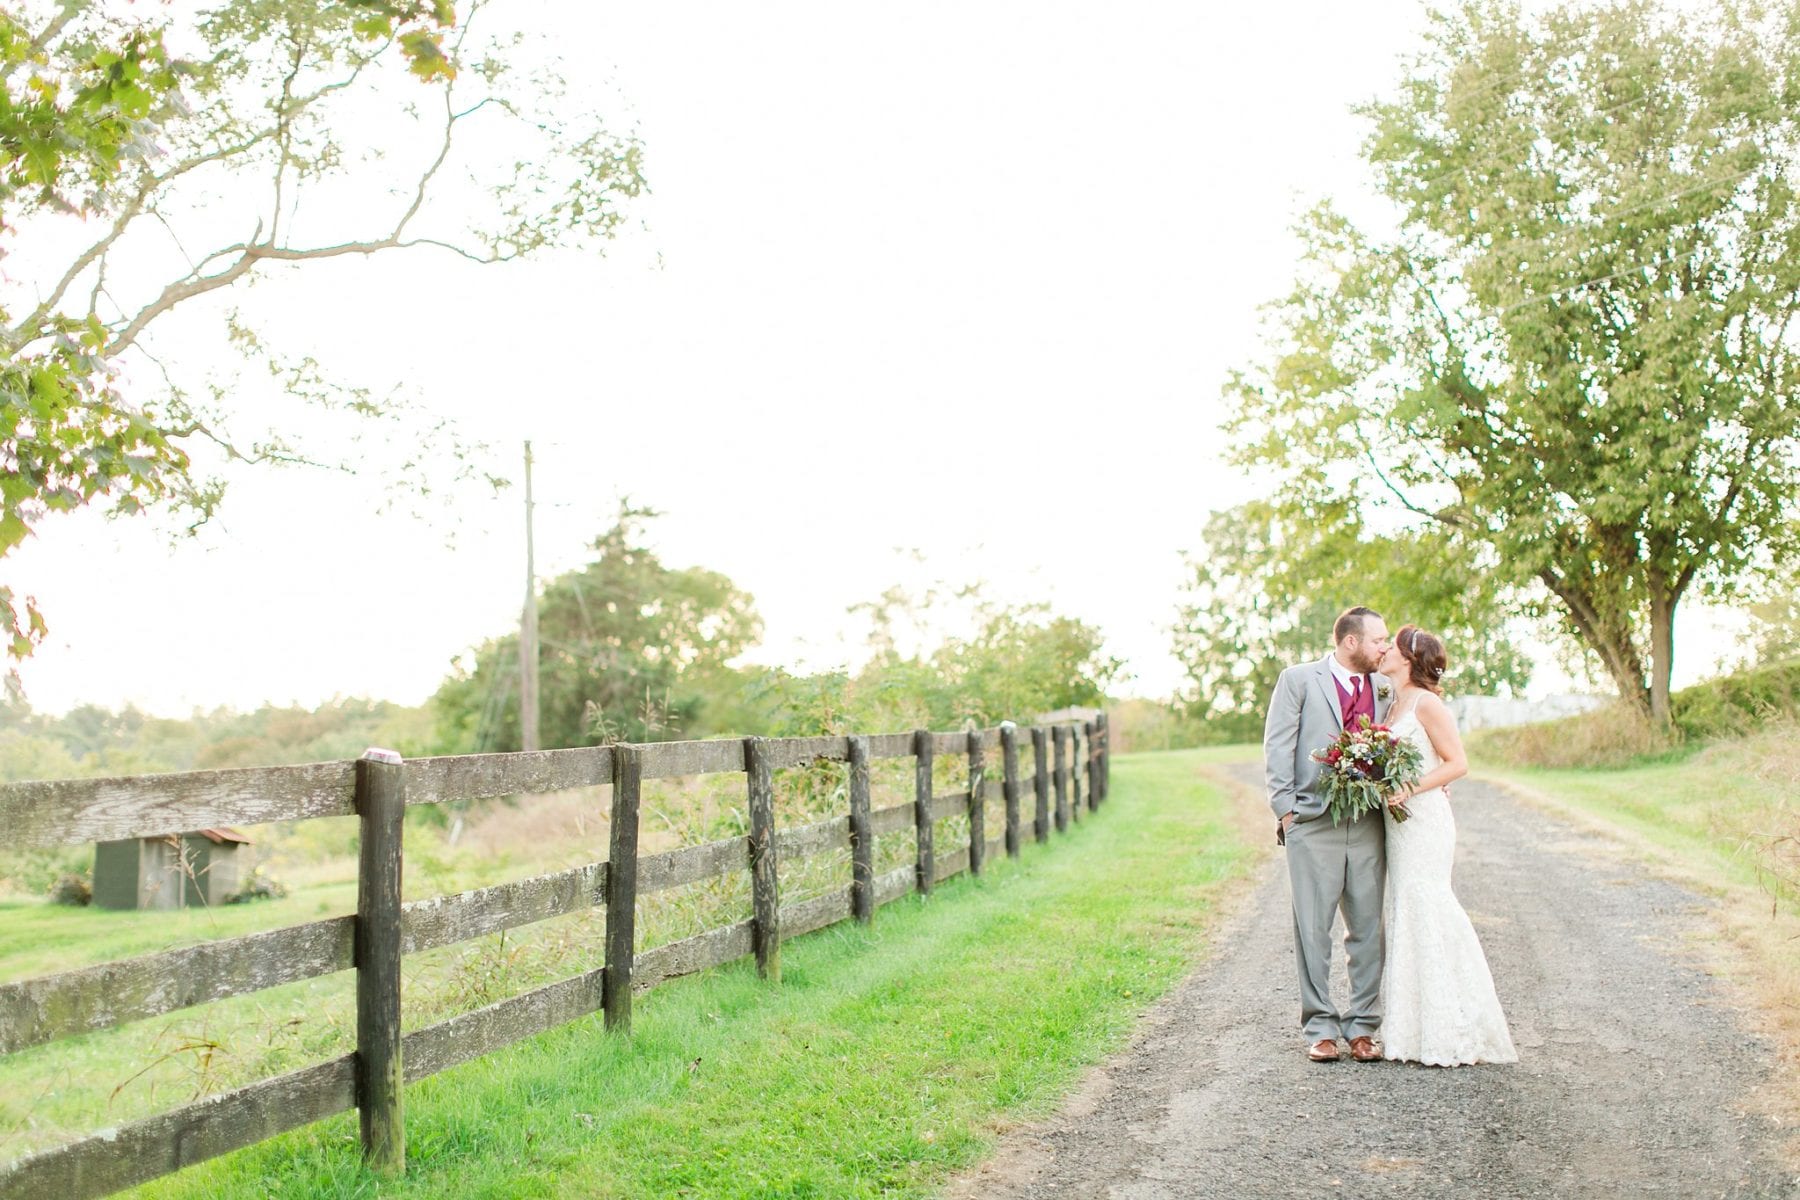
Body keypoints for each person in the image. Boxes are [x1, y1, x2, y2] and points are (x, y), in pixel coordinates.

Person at [1375, 624, 1517, 1066]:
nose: (1383, 653)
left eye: (1391, 648)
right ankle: (1410, 1030)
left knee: (1428, 903)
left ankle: (1451, 1025)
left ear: (1408, 658)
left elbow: (1458, 763)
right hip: (1397, 823)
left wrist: (1409, 789)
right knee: (1404, 905)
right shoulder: (1391, 701)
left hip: (1423, 819)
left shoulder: (1428, 704)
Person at [1264, 605, 1392, 1063]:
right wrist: (1285, 812)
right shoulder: (1298, 679)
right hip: (1311, 822)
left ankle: (1362, 1028)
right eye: (1380, 639)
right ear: (1350, 641)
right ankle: (1319, 1028)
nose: (1386, 647)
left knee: (1368, 929)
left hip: (1367, 824)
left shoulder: (1384, 687)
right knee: (1313, 931)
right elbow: (1279, 743)